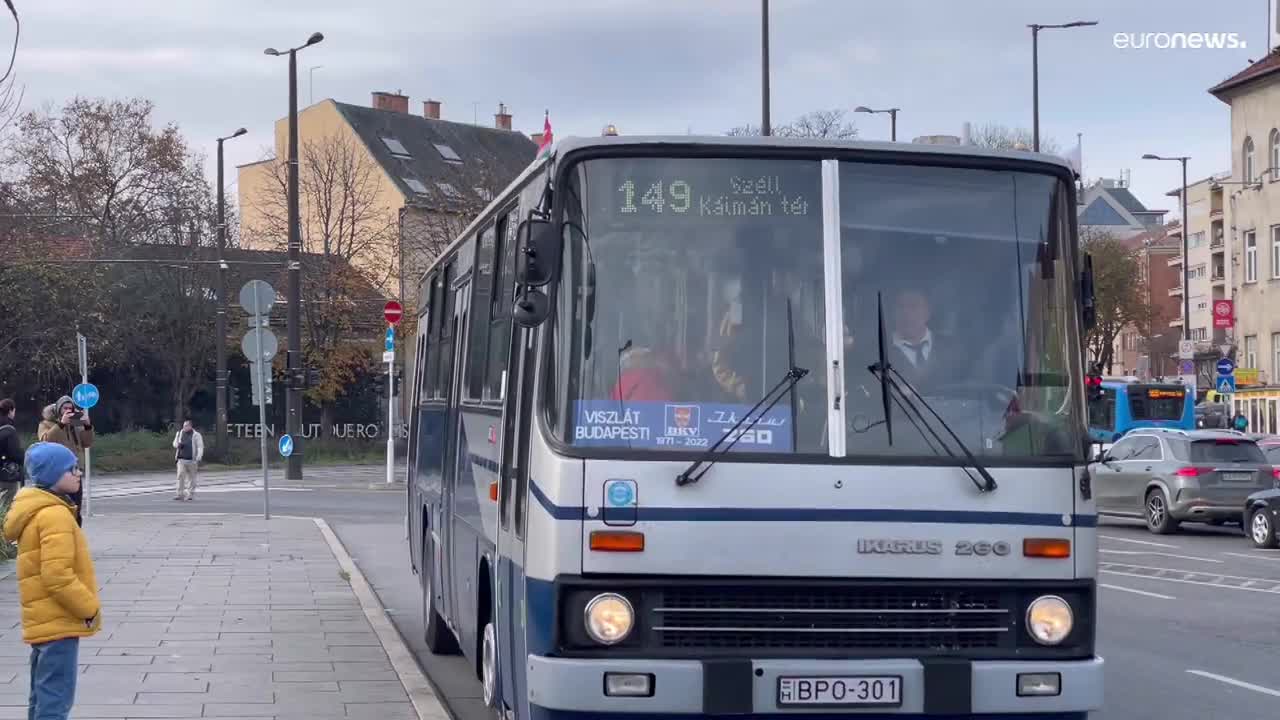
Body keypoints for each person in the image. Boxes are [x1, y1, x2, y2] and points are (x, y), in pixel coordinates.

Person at [3, 442, 102, 720]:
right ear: (53, 475)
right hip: (59, 621)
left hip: (43, 621)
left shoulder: (35, 510)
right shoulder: (54, 514)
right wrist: (88, 607)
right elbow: (57, 575)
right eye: (72, 468)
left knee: (42, 695)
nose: (78, 472)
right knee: (55, 700)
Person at [37, 396, 94, 526]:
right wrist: (61, 424)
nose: (68, 411)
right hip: (57, 473)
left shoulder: (75, 424)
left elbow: (87, 443)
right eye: (65, 408)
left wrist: (87, 426)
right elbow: (45, 440)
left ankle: (76, 535)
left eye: (70, 408)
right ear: (58, 409)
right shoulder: (46, 424)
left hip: (75, 471)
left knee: (76, 507)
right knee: (61, 508)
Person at [172, 420, 204, 501]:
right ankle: (180, 494)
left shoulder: (196, 435)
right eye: (184, 426)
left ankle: (190, 494)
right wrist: (177, 445)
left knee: (192, 477)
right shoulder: (179, 433)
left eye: (186, 426)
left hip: (192, 460)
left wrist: (198, 457)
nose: (184, 427)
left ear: (190, 426)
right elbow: (174, 443)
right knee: (180, 475)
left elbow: (200, 446)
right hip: (181, 459)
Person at [0, 398, 23, 507]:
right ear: (11, 410)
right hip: (7, 475)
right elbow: (15, 454)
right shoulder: (9, 429)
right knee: (6, 505)